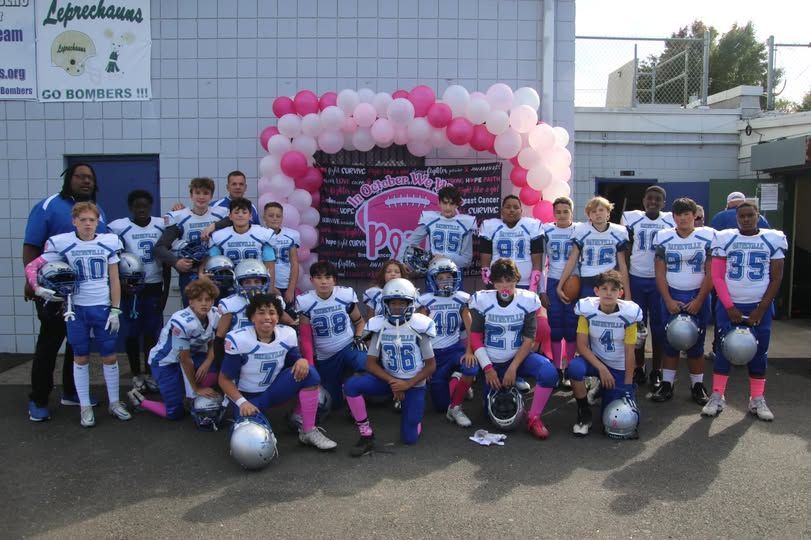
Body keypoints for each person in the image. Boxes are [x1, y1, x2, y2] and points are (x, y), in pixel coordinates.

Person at [26, 202, 130, 428]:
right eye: (82, 219)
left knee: (109, 356)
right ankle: (85, 406)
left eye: (91, 220)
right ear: (74, 221)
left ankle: (114, 402)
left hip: (102, 307)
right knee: (80, 357)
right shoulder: (63, 242)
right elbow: (32, 267)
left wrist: (115, 308)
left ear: (97, 222)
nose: (87, 224)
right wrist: (36, 287)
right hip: (76, 309)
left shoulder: (108, 242)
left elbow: (114, 279)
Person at [23, 163, 107, 421]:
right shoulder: (48, 206)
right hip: (53, 290)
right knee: (50, 342)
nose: (85, 181)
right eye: (80, 176)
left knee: (77, 344)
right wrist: (31, 281)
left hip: (83, 291)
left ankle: (71, 392)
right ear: (68, 179)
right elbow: (31, 245)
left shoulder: (97, 212)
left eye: (90, 178)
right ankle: (38, 399)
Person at [219, 294, 337, 451]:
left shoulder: (286, 334)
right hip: (248, 398)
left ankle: (308, 429)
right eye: (261, 313)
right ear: (252, 317)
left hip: (274, 391)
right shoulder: (239, 339)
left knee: (310, 373)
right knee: (252, 448)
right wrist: (242, 403)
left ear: (278, 316)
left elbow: (294, 360)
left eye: (272, 313)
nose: (267, 317)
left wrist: (301, 360)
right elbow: (224, 380)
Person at [702, 201, 786, 421]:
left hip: (759, 305)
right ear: (736, 217)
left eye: (750, 215)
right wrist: (729, 306)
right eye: (742, 216)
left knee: (759, 352)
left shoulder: (772, 239)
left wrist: (761, 308)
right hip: (730, 304)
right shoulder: (726, 238)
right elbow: (717, 276)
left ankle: (757, 398)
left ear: (758, 216)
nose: (746, 219)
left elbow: (776, 277)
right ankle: (718, 395)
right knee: (723, 350)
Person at [344, 278, 437, 456]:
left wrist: (407, 385)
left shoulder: (420, 325)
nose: (397, 307)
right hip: (389, 380)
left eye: (402, 303)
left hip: (414, 384)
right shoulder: (380, 325)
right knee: (351, 386)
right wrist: (393, 382)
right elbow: (370, 363)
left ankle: (413, 416)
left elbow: (431, 366)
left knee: (409, 439)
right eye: (393, 303)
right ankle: (366, 433)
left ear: (411, 303)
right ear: (385, 303)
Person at [469, 259, 559, 439]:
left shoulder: (527, 300)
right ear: (492, 282)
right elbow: (476, 337)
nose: (505, 285)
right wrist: (488, 369)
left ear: (516, 279)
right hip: (491, 359)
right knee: (490, 413)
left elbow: (529, 339)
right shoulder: (482, 299)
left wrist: (513, 368)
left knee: (549, 372)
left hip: (517, 358)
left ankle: (534, 417)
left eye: (509, 280)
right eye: (500, 281)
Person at [127, 279, 222, 420]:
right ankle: (139, 400)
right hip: (166, 362)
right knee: (174, 413)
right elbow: (184, 359)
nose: (204, 303)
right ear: (190, 301)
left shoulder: (214, 314)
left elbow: (214, 342)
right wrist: (196, 389)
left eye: (208, 299)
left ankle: (189, 396)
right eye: (199, 299)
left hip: (191, 356)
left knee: (216, 369)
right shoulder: (181, 321)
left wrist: (208, 361)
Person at [108, 190, 171, 393]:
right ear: (130, 208)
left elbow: (167, 261)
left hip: (154, 284)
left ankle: (151, 372)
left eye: (145, 205)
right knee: (133, 334)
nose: (141, 209)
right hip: (131, 288)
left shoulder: (161, 224)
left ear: (151, 206)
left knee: (152, 334)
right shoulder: (120, 227)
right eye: (137, 206)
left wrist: (166, 292)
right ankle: (136, 374)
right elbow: (114, 258)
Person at [652, 198, 714, 405]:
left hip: (698, 293)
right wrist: (667, 299)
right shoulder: (664, 237)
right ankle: (667, 384)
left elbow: (711, 272)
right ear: (674, 217)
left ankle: (697, 385)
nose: (683, 218)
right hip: (672, 293)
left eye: (687, 214)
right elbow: (659, 273)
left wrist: (699, 299)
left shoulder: (707, 236)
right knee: (670, 340)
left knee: (696, 342)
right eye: (679, 214)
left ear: (695, 215)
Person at [567, 270, 642, 437]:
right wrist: (601, 369)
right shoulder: (587, 310)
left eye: (614, 289)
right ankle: (583, 412)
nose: (608, 293)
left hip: (618, 365)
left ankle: (604, 388)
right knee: (574, 368)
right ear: (596, 291)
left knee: (614, 417)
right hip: (596, 361)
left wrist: (628, 387)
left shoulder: (628, 314)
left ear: (621, 293)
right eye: (604, 288)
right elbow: (581, 345)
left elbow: (630, 352)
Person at [622, 186, 674, 389]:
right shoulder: (633, 219)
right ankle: (639, 366)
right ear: (644, 200)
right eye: (650, 198)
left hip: (659, 280)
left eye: (658, 199)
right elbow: (626, 249)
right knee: (637, 327)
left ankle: (657, 370)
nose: (653, 202)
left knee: (659, 328)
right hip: (637, 277)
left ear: (664, 202)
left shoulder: (670, 220)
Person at [296, 261, 367, 408]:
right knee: (333, 403)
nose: (323, 282)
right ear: (311, 280)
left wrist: (358, 337)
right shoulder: (305, 301)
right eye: (319, 277)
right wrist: (310, 362)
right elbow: (305, 337)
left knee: (365, 364)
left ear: (334, 280)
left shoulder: (345, 295)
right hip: (325, 356)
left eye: (328, 277)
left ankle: (354, 391)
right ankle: (343, 390)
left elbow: (359, 321)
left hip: (348, 345)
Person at [415, 257, 477, 427]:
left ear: (455, 277)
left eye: (449, 277)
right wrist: (422, 361)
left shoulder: (461, 299)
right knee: (440, 406)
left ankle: (456, 406)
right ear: (432, 280)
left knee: (471, 367)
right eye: (440, 278)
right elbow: (419, 333)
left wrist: (469, 351)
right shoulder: (426, 300)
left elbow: (470, 328)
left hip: (454, 349)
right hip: (433, 355)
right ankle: (457, 381)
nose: (445, 281)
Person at [154, 177, 227, 307]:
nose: (201, 197)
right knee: (192, 312)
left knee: (216, 314)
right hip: (190, 274)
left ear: (211, 196)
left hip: (216, 272)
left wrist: (214, 226)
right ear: (191, 195)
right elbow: (160, 247)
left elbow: (234, 220)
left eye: (205, 193)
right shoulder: (180, 216)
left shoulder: (221, 214)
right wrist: (176, 262)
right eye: (197, 192)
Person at [558, 196, 630, 303]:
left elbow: (622, 264)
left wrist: (628, 294)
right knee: (587, 312)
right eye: (593, 211)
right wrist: (560, 285)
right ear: (589, 215)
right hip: (588, 278)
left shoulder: (618, 231)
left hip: (609, 279)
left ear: (608, 213)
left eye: (601, 210)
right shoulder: (581, 230)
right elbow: (572, 260)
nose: (597, 213)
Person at [540, 196, 579, 384]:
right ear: (553, 213)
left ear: (572, 212)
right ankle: (557, 368)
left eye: (566, 211)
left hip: (574, 282)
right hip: (553, 280)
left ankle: (570, 368)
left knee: (572, 327)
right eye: (558, 212)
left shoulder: (579, 230)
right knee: (555, 327)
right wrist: (542, 290)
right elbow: (540, 263)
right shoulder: (547, 230)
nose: (562, 215)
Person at [403, 185, 476, 271]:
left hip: (455, 271)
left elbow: (467, 260)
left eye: (451, 203)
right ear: (439, 203)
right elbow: (409, 243)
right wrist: (400, 263)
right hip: (433, 269)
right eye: (445, 203)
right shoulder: (430, 219)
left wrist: (445, 258)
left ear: (457, 205)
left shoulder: (465, 223)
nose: (448, 207)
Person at [479, 195, 543, 291]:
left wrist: (533, 287)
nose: (512, 210)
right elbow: (485, 261)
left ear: (521, 211)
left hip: (524, 283)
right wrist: (489, 284)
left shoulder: (532, 226)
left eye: (516, 207)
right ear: (502, 210)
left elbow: (537, 260)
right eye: (508, 207)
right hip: (499, 283)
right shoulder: (490, 227)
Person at [206, 197, 275, 277]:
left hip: (257, 282)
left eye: (244, 212)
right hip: (229, 283)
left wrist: (270, 289)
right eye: (236, 212)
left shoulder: (262, 234)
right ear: (230, 216)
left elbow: (270, 267)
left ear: (250, 216)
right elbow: (212, 264)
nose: (240, 215)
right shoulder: (219, 236)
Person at [173, 170, 261, 225]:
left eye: (241, 184)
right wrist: (182, 210)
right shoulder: (215, 206)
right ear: (227, 187)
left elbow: (256, 229)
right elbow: (197, 215)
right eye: (234, 184)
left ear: (245, 187)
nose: (237, 187)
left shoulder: (252, 207)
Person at [263, 202, 300, 308]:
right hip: (265, 284)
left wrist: (291, 289)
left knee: (288, 314)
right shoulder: (259, 235)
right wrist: (271, 286)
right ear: (264, 217)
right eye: (271, 215)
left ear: (282, 218)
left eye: (278, 216)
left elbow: (294, 264)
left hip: (285, 284)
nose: (275, 218)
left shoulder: (291, 235)